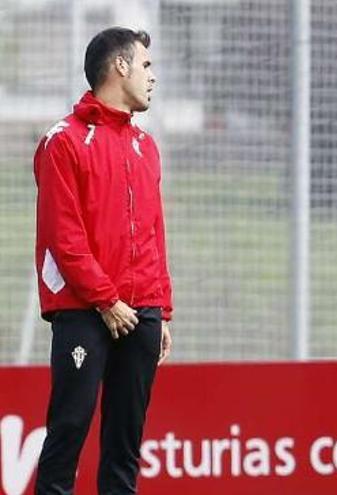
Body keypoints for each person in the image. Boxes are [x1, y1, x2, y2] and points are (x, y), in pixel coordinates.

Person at [33, 27, 172, 494]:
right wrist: (107, 300)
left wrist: (161, 310)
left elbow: (155, 234)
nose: (153, 76)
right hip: (84, 311)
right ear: (120, 67)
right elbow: (63, 236)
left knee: (125, 448)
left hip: (142, 313)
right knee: (67, 434)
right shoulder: (64, 141)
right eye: (146, 65)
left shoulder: (146, 146)